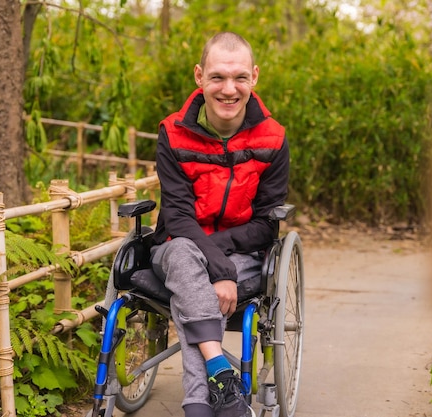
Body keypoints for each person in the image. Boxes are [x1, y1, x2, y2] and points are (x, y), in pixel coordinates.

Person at [150, 31, 290, 417]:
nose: (229, 89)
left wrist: (220, 263)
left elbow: (266, 224)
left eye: (240, 77)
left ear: (255, 77)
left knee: (193, 275)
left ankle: (200, 402)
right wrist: (220, 271)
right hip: (179, 243)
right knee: (181, 253)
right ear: (199, 76)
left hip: (242, 250)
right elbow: (177, 215)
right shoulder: (172, 133)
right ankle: (220, 370)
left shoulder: (273, 139)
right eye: (218, 77)